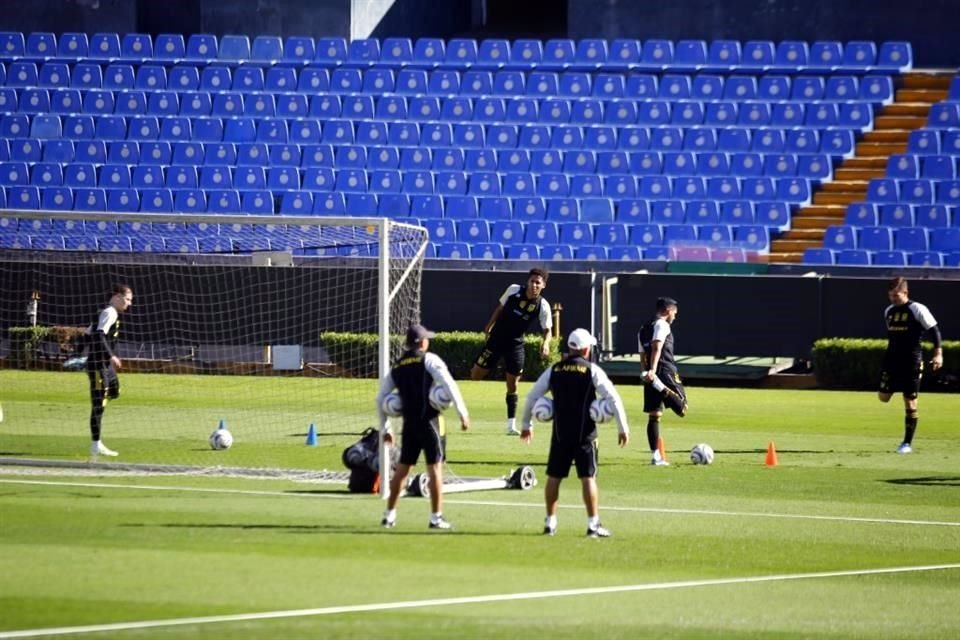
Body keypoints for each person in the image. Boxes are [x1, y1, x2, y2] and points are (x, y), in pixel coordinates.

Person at [520, 328, 629, 538]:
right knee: (588, 478)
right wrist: (622, 428)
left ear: (570, 348)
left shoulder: (554, 370)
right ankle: (592, 525)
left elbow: (532, 397)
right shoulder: (592, 370)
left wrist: (526, 425)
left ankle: (550, 523)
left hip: (560, 434)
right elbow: (614, 398)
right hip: (585, 435)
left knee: (554, 477)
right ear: (586, 349)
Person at [376, 323, 470, 530]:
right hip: (431, 423)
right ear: (421, 342)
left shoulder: (397, 366)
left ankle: (389, 515)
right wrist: (462, 412)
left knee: (402, 471)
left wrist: (386, 428)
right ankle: (436, 518)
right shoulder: (430, 359)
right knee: (435, 469)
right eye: (426, 338)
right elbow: (449, 384)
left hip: (409, 425)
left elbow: (380, 398)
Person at [471, 267, 553, 435]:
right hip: (495, 340)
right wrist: (489, 325)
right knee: (476, 375)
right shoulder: (513, 290)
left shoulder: (543, 306)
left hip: (515, 345)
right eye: (532, 281)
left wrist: (545, 343)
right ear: (527, 282)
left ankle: (511, 426)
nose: (534, 285)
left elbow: (548, 330)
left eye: (538, 283)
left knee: (513, 385)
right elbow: (499, 309)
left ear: (543, 285)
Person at [879, 277, 943, 453]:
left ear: (906, 293)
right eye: (891, 295)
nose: (893, 298)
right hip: (892, 360)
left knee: (911, 401)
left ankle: (906, 443)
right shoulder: (889, 311)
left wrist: (938, 354)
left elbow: (934, 331)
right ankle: (897, 385)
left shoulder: (917, 309)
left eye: (896, 295)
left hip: (911, 360)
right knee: (883, 397)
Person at [83, 284, 133, 461]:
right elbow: (98, 335)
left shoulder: (105, 312)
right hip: (99, 365)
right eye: (127, 299)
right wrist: (111, 356)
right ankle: (96, 445)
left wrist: (79, 353)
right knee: (99, 405)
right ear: (118, 296)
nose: (129, 304)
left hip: (106, 366)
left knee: (115, 391)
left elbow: (87, 334)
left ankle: (104, 394)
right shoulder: (109, 312)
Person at [637, 297, 688, 467]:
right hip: (664, 371)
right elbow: (656, 346)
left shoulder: (643, 328)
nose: (675, 316)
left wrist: (645, 372)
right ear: (668, 311)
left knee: (654, 416)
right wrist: (653, 371)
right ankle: (660, 385)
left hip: (650, 374)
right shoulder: (662, 325)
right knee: (682, 408)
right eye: (674, 313)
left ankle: (656, 457)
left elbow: (642, 354)